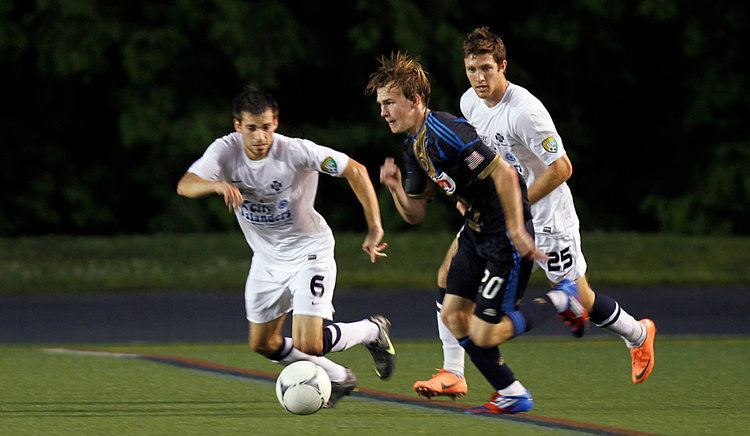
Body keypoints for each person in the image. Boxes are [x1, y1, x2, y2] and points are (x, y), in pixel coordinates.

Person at [413, 27, 657, 400]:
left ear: (503, 66)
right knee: (448, 275)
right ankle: (453, 371)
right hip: (496, 216)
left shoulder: (525, 111)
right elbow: (480, 161)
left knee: (581, 296)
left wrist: (516, 204)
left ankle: (638, 334)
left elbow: (561, 168)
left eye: (486, 68)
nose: (479, 77)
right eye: (471, 69)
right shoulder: (468, 103)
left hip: (547, 219)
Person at [367, 52, 588, 415]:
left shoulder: (446, 131)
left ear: (415, 100)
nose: (384, 112)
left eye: (390, 103)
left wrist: (517, 228)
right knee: (453, 315)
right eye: (381, 105)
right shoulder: (413, 146)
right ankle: (511, 392)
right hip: (476, 228)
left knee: (485, 332)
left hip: (501, 232)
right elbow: (416, 213)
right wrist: (394, 189)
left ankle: (563, 298)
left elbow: (504, 175)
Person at [176, 85, 395, 408]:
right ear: (238, 126)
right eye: (251, 128)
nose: (260, 136)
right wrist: (216, 184)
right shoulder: (224, 151)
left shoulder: (296, 151)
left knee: (311, 341)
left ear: (275, 122)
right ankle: (338, 377)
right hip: (266, 260)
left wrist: (375, 227)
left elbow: (355, 170)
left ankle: (371, 330)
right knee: (263, 343)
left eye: (266, 127)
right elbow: (185, 185)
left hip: (309, 252)